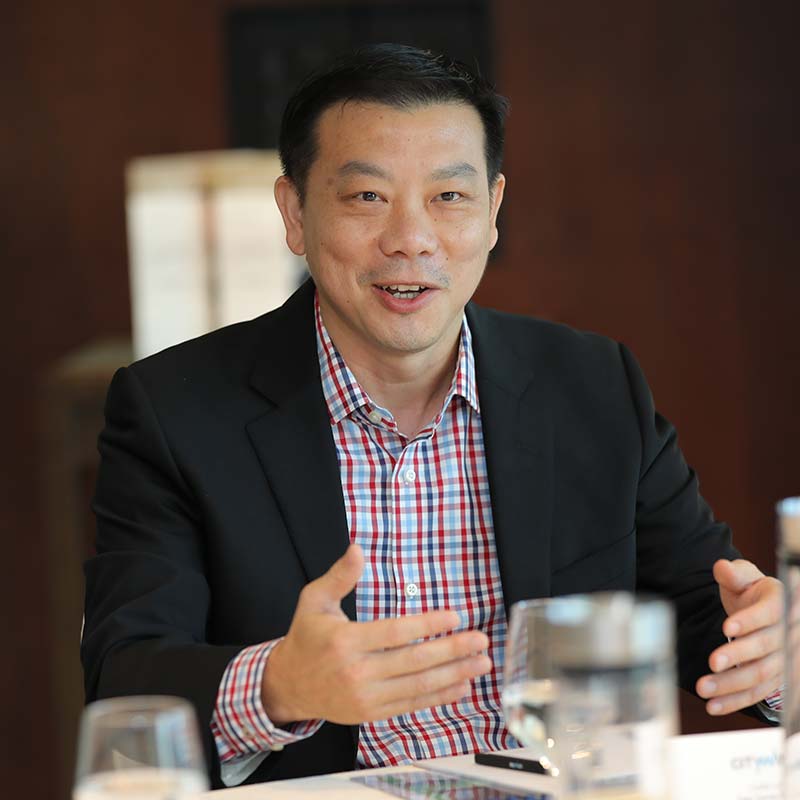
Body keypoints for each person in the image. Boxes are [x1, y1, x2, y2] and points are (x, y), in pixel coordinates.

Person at [82, 43, 783, 789]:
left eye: (449, 196)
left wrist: (774, 649)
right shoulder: (176, 411)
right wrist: (280, 685)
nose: (411, 240)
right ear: (293, 213)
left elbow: (706, 614)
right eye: (366, 197)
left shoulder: (591, 384)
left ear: (493, 211)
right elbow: (127, 681)